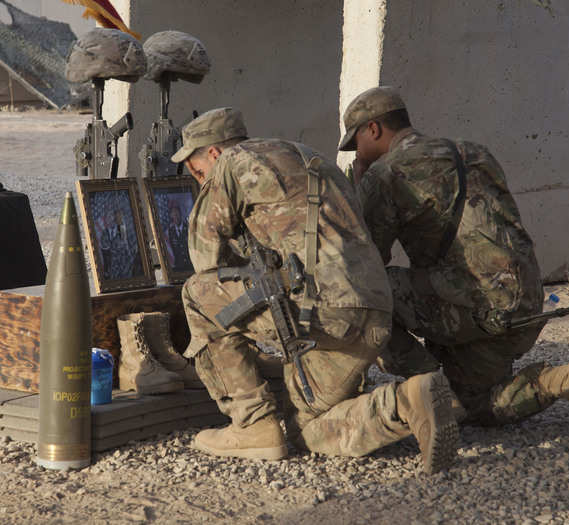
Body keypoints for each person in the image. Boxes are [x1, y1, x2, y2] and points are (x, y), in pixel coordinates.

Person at [172, 107, 459, 473]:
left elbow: (205, 259)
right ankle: (405, 403)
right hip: (372, 312)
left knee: (197, 294)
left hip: (320, 310)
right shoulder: (310, 156)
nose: (200, 182)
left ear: (213, 153)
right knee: (305, 427)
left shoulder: (231, 163)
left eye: (198, 173)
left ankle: (251, 422)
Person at [339, 86, 569, 446]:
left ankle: (429, 385)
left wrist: (361, 186)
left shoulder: (387, 174)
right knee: (477, 405)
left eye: (355, 143)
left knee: (370, 294)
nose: (355, 154)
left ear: (373, 129)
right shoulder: (473, 151)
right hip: (526, 305)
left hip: (473, 309)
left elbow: (367, 261)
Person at [165, 204, 192, 272]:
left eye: (177, 213)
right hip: (178, 267)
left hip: (191, 264)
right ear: (171, 216)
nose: (175, 216)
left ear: (180, 214)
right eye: (173, 214)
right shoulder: (169, 232)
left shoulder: (189, 228)